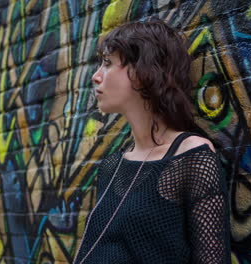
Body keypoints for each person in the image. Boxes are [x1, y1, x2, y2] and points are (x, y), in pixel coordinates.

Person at [73, 19, 231, 264]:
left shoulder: (190, 157)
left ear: (142, 72)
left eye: (107, 64)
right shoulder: (112, 166)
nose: (96, 77)